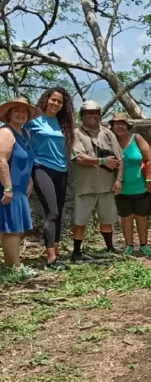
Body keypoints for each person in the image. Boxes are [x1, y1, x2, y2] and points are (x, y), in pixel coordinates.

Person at [27, 86, 75, 271]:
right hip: (41, 168)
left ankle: (56, 253)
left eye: (60, 102)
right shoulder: (34, 120)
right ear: (46, 100)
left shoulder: (63, 123)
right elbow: (13, 130)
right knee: (52, 212)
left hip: (61, 170)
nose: (56, 103)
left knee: (59, 213)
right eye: (53, 99)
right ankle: (51, 259)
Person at [71, 100, 123, 263]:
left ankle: (109, 248)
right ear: (82, 116)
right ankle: (76, 252)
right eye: (88, 113)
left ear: (100, 115)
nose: (92, 116)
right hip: (85, 186)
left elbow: (120, 159)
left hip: (107, 186)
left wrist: (119, 180)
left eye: (95, 113)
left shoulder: (108, 133)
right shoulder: (76, 134)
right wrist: (103, 161)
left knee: (107, 219)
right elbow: (79, 158)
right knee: (80, 221)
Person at [0, 97, 37, 277]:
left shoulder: (24, 134)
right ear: (9, 113)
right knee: (11, 228)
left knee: (15, 227)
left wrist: (29, 181)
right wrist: (8, 188)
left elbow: (26, 161)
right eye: (17, 110)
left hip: (20, 189)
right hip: (9, 188)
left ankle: (12, 264)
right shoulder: (6, 132)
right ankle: (14, 267)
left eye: (24, 111)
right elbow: (1, 160)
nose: (21, 114)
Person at [110, 112, 151, 257]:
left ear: (128, 125)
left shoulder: (137, 138)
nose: (120, 126)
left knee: (142, 217)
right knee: (126, 218)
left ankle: (144, 245)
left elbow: (150, 160)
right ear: (112, 126)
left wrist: (149, 180)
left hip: (141, 186)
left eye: (123, 123)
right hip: (121, 188)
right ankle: (129, 246)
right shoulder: (110, 141)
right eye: (116, 123)